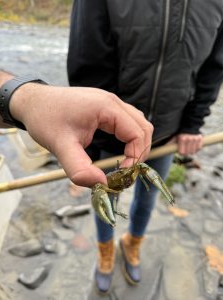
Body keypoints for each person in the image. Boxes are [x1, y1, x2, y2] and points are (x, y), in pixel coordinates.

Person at [67, 0, 223, 294]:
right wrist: (91, 133)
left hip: (165, 132)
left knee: (149, 197)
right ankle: (106, 250)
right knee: (105, 196)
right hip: (110, 134)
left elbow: (214, 68)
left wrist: (193, 123)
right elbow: (86, 60)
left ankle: (132, 243)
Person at [0, 69, 154, 188]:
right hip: (108, 144)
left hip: (156, 137)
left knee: (148, 183)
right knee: (102, 191)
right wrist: (28, 99)